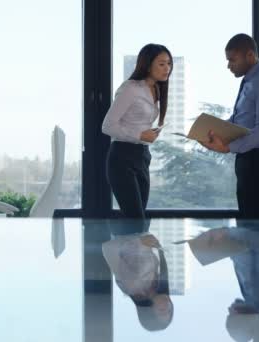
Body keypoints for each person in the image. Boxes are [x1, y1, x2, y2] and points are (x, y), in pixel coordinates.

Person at [201, 34, 259, 220]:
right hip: (248, 159)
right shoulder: (250, 81)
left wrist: (229, 147)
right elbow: (241, 120)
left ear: (250, 56)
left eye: (232, 60)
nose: (229, 66)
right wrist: (216, 132)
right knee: (248, 221)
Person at [102, 44, 173, 218]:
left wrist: (151, 133)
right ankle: (113, 245)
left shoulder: (157, 89)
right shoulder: (131, 88)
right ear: (148, 65)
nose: (167, 69)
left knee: (138, 220)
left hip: (143, 156)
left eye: (169, 64)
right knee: (135, 219)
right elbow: (107, 126)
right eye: (162, 64)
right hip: (122, 158)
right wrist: (140, 135)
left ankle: (128, 245)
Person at [102, 221, 174, 331]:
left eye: (162, 310)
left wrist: (139, 241)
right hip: (141, 225)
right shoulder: (154, 285)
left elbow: (108, 248)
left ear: (149, 311)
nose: (167, 306)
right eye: (169, 310)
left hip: (125, 226)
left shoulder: (133, 287)